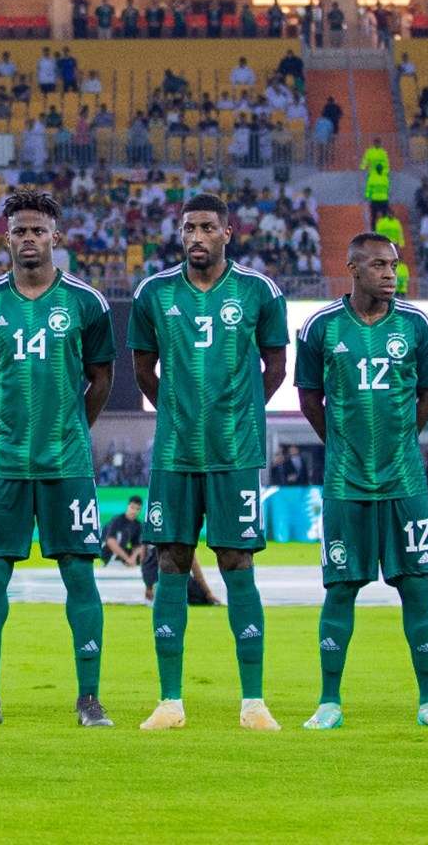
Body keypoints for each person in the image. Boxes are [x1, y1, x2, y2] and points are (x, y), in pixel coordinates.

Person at [0, 190, 116, 728]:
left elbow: (101, 379)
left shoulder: (86, 303)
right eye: (19, 230)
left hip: (66, 463)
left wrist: (69, 427)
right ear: (6, 237)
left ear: (56, 236)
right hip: (3, 463)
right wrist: (2, 425)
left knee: (80, 576)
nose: (29, 239)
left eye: (38, 230)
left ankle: (89, 699)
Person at [130, 192, 288, 732]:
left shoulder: (258, 291)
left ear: (227, 232)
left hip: (235, 455)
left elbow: (276, 367)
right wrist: (179, 409)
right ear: (179, 234)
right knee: (171, 563)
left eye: (206, 227)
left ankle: (253, 703)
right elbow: (143, 369)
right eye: (188, 227)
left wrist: (237, 414)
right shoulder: (154, 293)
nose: (196, 236)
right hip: (174, 455)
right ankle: (170, 701)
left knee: (237, 564)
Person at [295, 232, 428, 730]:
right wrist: (342, 445)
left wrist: (402, 439)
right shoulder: (321, 327)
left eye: (395, 265)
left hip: (404, 483)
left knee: (416, 587)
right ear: (354, 268)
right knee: (340, 589)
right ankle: (328, 701)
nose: (391, 274)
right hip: (346, 484)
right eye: (381, 266)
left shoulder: (416, 324)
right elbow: (309, 399)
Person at [103, 496, 145, 568]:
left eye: (138, 509)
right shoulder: (117, 520)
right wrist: (127, 559)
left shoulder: (137, 525)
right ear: (128, 506)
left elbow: (138, 546)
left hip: (122, 555)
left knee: (146, 549)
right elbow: (110, 541)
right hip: (107, 552)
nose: (134, 511)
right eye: (132, 507)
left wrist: (133, 558)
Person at [360, 140, 391, 222]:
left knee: (383, 216)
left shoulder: (383, 152)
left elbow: (386, 164)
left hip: (382, 174)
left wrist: (386, 172)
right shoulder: (370, 152)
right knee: (374, 216)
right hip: (373, 173)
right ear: (374, 143)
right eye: (376, 143)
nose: (378, 144)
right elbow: (365, 160)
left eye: (379, 143)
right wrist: (362, 167)